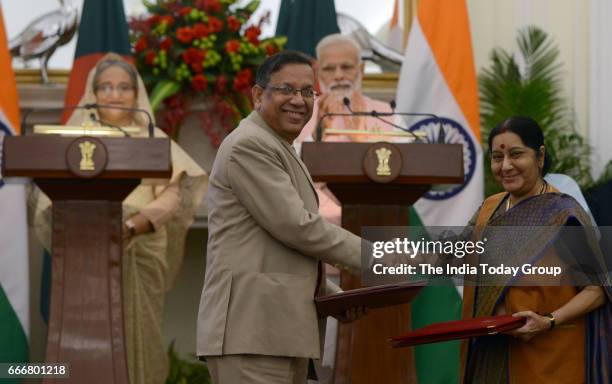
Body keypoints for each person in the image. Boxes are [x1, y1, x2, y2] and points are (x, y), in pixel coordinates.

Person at [30, 53, 208, 384]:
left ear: (135, 94)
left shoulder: (152, 139)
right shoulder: (71, 138)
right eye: (106, 87)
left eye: (123, 87)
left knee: (138, 337)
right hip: (82, 246)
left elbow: (173, 194)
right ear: (93, 94)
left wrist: (133, 225)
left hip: (139, 242)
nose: (115, 94)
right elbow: (46, 197)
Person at [196, 51, 365, 384]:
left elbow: (280, 250)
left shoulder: (278, 145)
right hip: (252, 332)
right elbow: (298, 228)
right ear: (258, 95)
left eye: (307, 92)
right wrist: (380, 257)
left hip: (277, 331)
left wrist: (332, 297)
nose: (298, 101)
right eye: (287, 89)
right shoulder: (250, 145)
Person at [458, 117, 612, 383]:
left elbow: (596, 290)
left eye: (516, 154)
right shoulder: (489, 208)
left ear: (539, 156)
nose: (505, 166)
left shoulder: (563, 215)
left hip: (549, 357)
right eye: (497, 157)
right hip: (492, 354)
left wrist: (549, 320)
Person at [295, 34, 407, 226]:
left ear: (361, 69)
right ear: (318, 73)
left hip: (376, 224)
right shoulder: (298, 114)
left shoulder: (389, 115)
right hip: (315, 229)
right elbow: (288, 172)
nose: (338, 75)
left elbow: (407, 168)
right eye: (329, 68)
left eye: (346, 67)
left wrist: (362, 142)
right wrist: (316, 136)